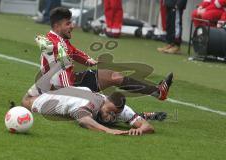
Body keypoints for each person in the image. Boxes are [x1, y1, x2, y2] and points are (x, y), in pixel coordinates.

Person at [35, 7, 173, 102]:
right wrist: (71, 94)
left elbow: (75, 52)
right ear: (57, 26)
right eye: (68, 23)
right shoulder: (55, 44)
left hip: (70, 81)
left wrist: (91, 62)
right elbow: (62, 73)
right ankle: (141, 117)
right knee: (104, 103)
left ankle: (158, 92)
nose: (72, 26)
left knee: (113, 76)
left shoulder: (59, 40)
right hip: (59, 90)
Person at [21, 64, 157, 136]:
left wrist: (140, 130)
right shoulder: (89, 104)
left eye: (114, 114)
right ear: (106, 102)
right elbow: (84, 121)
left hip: (70, 93)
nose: (111, 117)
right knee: (26, 101)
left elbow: (148, 127)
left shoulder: (120, 109)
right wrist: (109, 130)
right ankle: (55, 66)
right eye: (110, 112)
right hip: (49, 98)